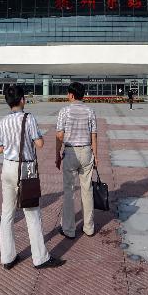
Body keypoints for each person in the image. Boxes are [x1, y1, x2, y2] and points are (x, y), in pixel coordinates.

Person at [0, 84, 63, 270]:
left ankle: (7, 257)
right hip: (25, 168)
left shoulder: (2, 122)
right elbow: (39, 144)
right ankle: (40, 258)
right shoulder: (29, 118)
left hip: (7, 167)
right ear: (22, 100)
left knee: (7, 213)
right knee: (32, 214)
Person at [55, 81, 98, 239]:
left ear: (72, 95)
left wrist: (57, 155)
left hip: (70, 152)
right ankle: (89, 227)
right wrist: (96, 155)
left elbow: (59, 135)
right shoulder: (90, 111)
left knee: (68, 191)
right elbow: (94, 134)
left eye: (68, 93)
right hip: (87, 151)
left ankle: (69, 229)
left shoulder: (64, 111)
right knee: (87, 190)